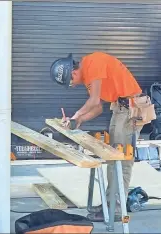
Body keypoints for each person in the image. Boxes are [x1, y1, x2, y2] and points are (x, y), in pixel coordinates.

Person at [50, 51, 154, 222]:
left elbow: (93, 100)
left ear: (73, 72)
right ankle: (110, 202)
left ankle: (116, 209)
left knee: (121, 160)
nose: (73, 85)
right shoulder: (88, 76)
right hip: (120, 109)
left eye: (70, 82)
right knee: (112, 160)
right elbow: (97, 107)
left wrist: (75, 116)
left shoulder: (93, 62)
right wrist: (79, 121)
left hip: (130, 109)